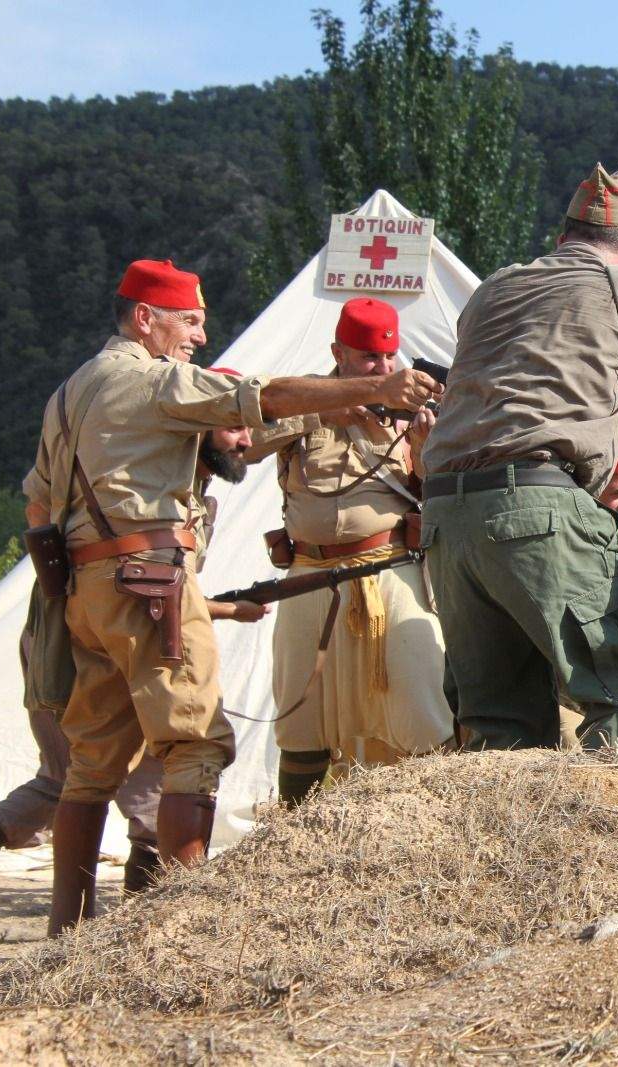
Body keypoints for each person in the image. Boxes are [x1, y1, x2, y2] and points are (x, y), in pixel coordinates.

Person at [24, 258, 439, 935]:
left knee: (91, 765)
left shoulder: (70, 392)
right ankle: (190, 930)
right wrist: (373, 389)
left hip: (87, 590)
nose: (198, 336)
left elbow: (38, 504)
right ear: (144, 319)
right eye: (189, 321)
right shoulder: (154, 380)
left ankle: (65, 932)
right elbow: (257, 400)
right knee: (195, 746)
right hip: (152, 586)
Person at [421, 163, 618, 754]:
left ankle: (506, 818)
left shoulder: (494, 287)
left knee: (498, 719)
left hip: (445, 515)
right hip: (537, 504)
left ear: (560, 237)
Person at [0, 417, 266, 889]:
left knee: (155, 778)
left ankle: (138, 916)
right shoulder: (136, 484)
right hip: (75, 637)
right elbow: (116, 576)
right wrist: (229, 609)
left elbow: (168, 587)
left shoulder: (196, 499)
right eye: (232, 429)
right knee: (67, 776)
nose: (246, 442)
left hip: (141, 637)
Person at [242, 298, 453, 806]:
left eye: (387, 358)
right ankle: (294, 835)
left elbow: (434, 491)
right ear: (338, 353)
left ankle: (432, 830)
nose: (381, 368)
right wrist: (318, 412)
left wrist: (426, 447)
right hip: (308, 572)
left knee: (421, 706)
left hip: (389, 568)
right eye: (367, 358)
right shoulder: (302, 397)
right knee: (300, 717)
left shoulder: (413, 403)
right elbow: (242, 446)